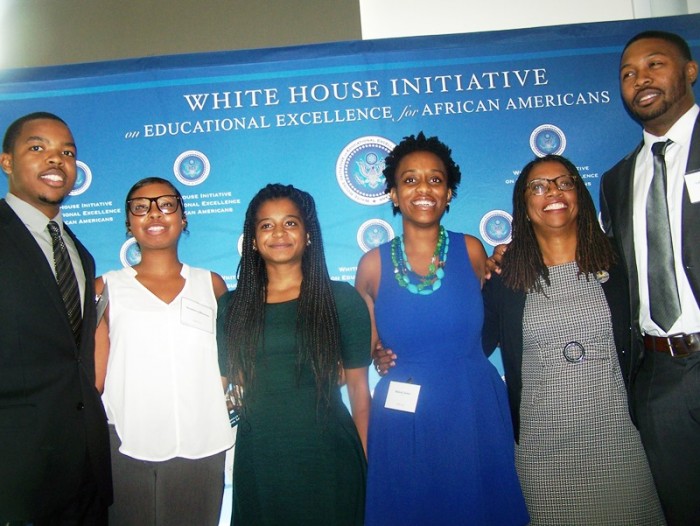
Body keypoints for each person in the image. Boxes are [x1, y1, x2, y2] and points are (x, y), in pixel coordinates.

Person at [355, 132, 528, 525]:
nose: (424, 189)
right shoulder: (371, 266)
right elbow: (369, 349)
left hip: (473, 409)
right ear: (394, 195)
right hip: (405, 417)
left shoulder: (472, 250)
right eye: (409, 179)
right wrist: (380, 356)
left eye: (435, 179)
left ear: (449, 192)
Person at [482, 154, 664, 524]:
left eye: (564, 183)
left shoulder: (621, 265)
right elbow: (473, 346)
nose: (553, 191)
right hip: (543, 454)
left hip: (622, 446)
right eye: (538, 186)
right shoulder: (505, 278)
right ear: (524, 205)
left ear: (579, 195)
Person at [217, 183, 371, 525]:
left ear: (308, 234)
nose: (279, 233)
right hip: (259, 461)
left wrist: (367, 464)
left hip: (330, 458)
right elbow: (223, 386)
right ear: (253, 240)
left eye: (290, 223)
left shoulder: (341, 299)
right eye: (266, 225)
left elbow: (360, 392)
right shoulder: (232, 307)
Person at [600, 30, 700, 525]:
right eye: (627, 73)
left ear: (689, 71)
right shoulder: (617, 180)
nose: (640, 79)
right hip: (660, 379)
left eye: (654, 64)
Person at [95, 176, 233, 525]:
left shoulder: (211, 284)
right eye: (141, 207)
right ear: (129, 224)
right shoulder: (105, 287)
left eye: (166, 204)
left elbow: (230, 357)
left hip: (201, 443)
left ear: (183, 218)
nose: (154, 213)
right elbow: (94, 376)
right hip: (125, 442)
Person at [0, 112, 112, 523]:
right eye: (37, 148)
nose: (56, 160)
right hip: (15, 477)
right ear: (6, 161)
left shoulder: (79, 252)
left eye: (66, 152)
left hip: (85, 473)